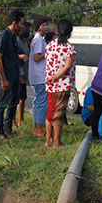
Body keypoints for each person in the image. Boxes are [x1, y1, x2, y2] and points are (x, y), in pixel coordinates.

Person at [44, 19, 76, 148]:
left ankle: (48, 140)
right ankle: (57, 142)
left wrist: (51, 78)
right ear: (70, 32)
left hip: (50, 85)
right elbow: (67, 66)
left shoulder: (50, 45)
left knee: (50, 112)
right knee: (58, 114)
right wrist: (56, 77)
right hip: (62, 84)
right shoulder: (68, 47)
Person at [0, 10, 25, 141]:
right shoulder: (4, 36)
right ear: (15, 23)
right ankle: (0, 131)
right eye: (21, 23)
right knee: (2, 103)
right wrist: (3, 79)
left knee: (14, 101)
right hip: (6, 76)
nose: (23, 26)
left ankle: (8, 129)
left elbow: (12, 56)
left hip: (14, 75)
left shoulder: (13, 36)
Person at [28, 17, 49, 137]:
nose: (46, 27)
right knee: (42, 102)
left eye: (46, 25)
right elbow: (37, 57)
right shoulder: (39, 40)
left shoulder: (40, 39)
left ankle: (36, 126)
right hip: (40, 75)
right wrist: (48, 53)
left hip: (37, 75)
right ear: (38, 27)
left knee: (38, 102)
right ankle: (39, 127)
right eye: (43, 25)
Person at [14, 21, 32, 129]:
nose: (30, 32)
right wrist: (21, 56)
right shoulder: (16, 41)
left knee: (23, 98)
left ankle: (21, 119)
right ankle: (13, 121)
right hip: (18, 73)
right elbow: (11, 55)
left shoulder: (24, 41)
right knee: (16, 99)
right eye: (29, 29)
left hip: (24, 74)